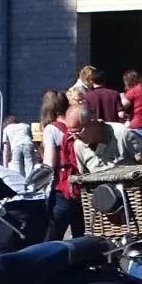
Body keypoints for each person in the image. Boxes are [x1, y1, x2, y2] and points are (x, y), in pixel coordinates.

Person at [42, 93, 88, 240]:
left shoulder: (51, 129)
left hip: (63, 189)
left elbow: (49, 163)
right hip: (82, 188)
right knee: (80, 238)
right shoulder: (75, 125)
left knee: (52, 239)